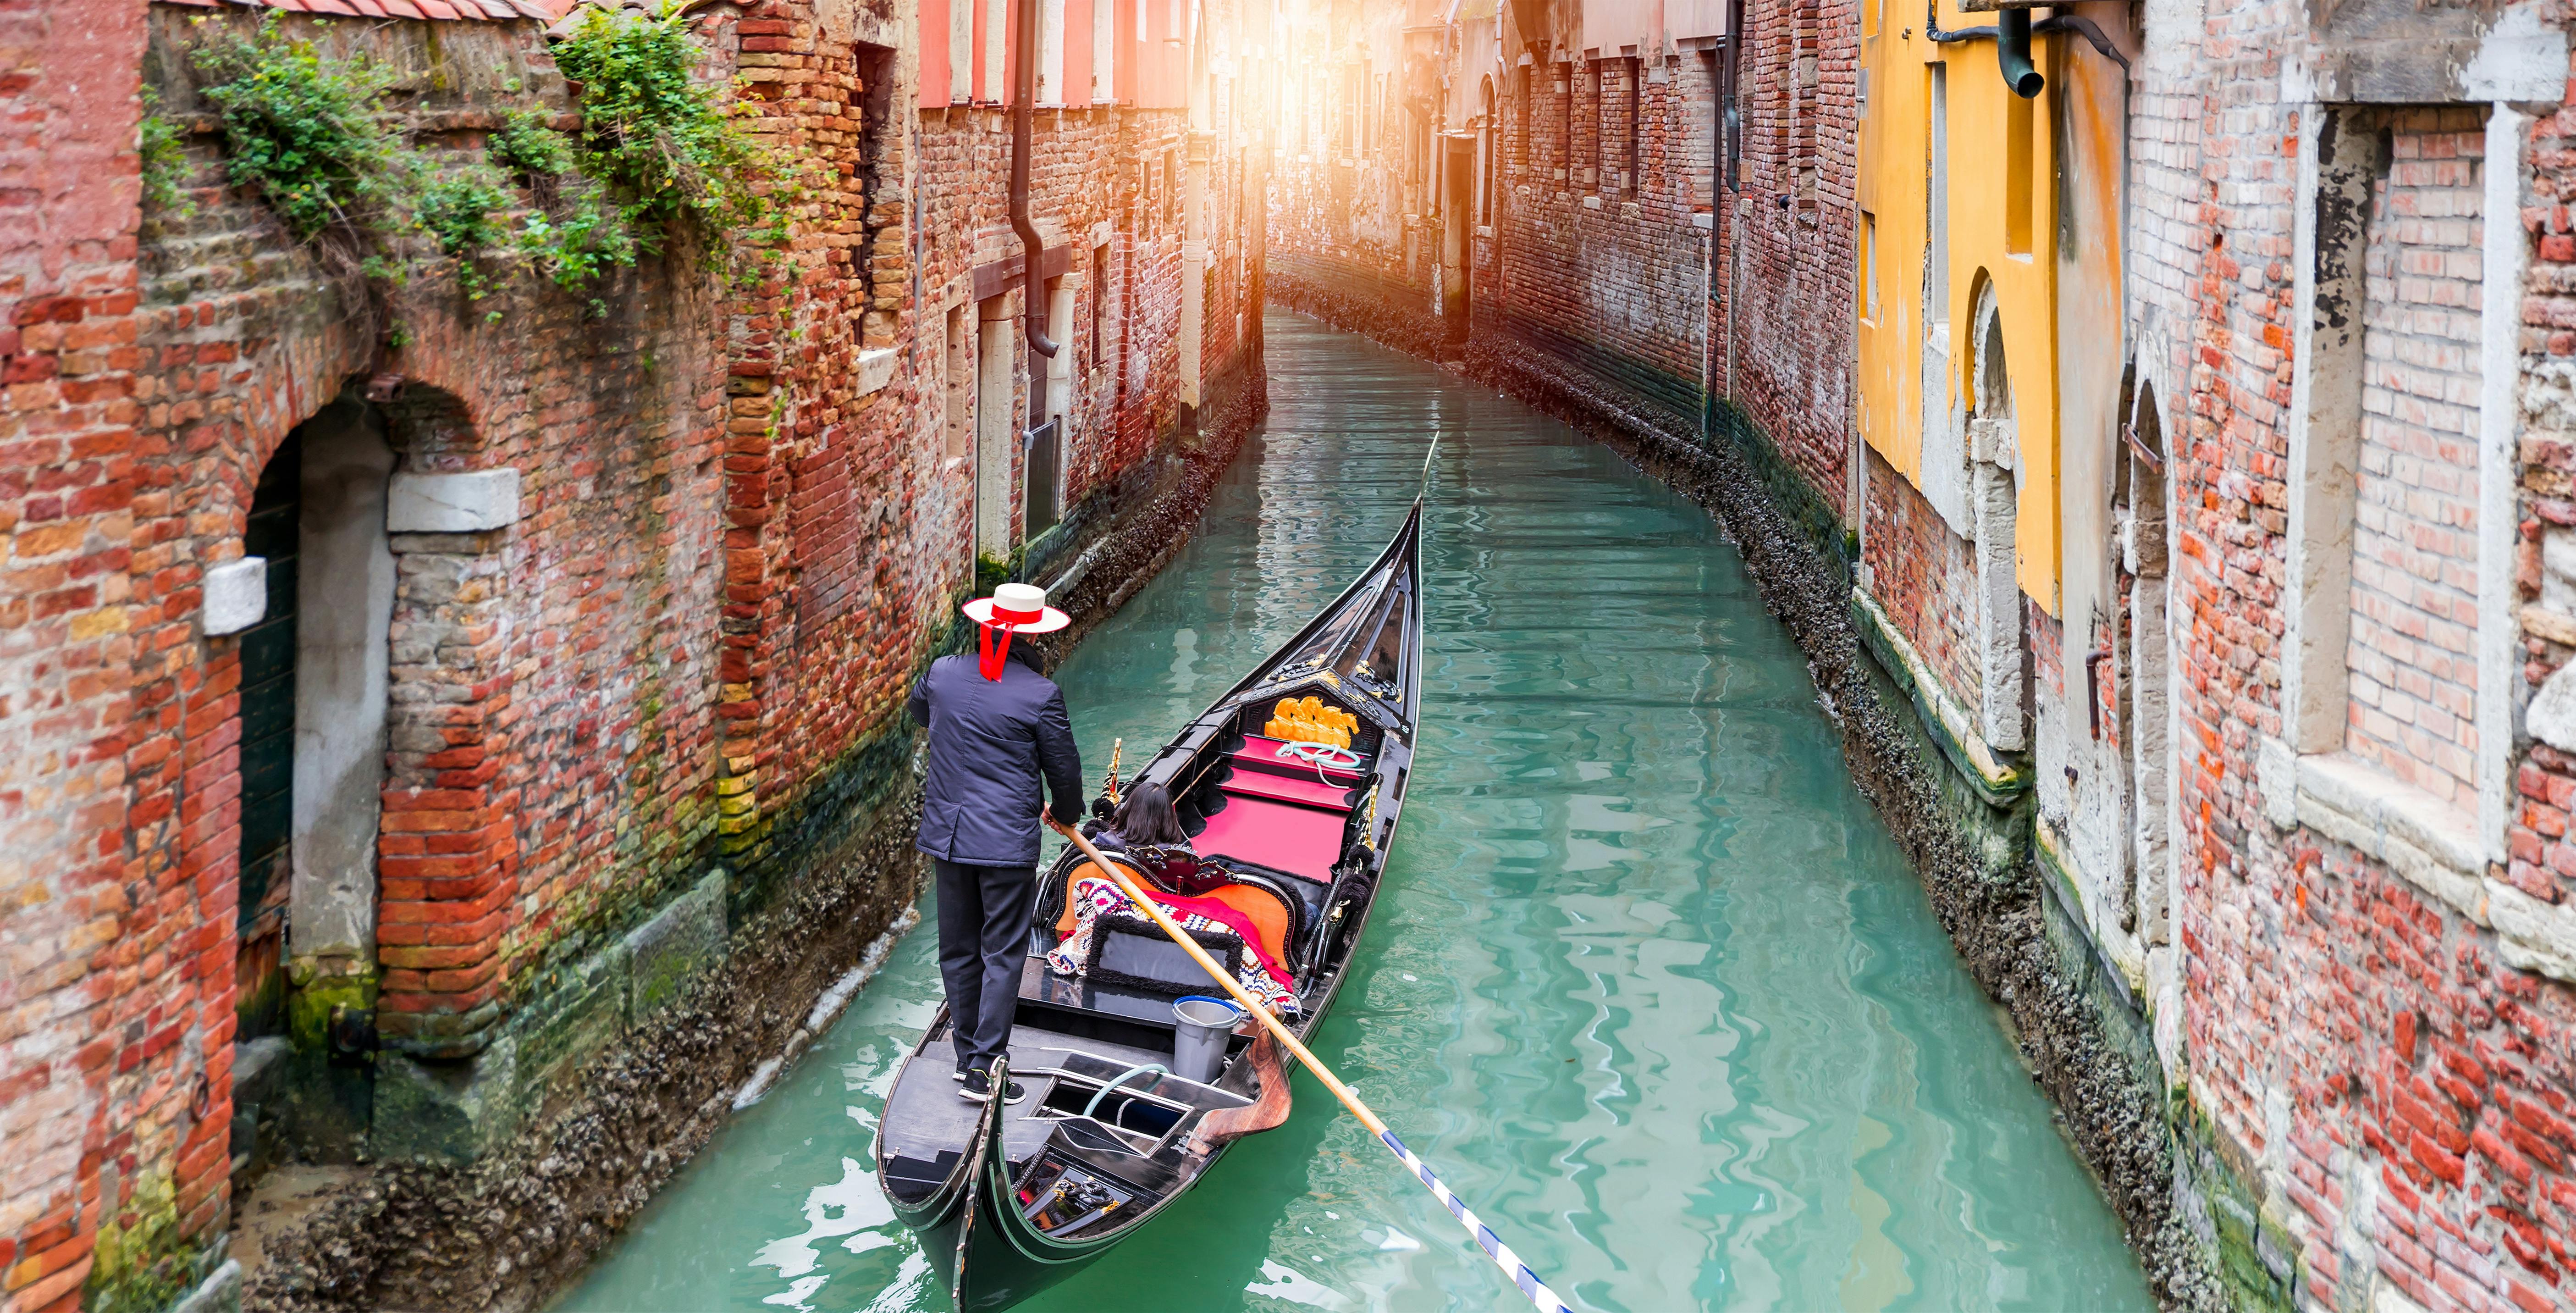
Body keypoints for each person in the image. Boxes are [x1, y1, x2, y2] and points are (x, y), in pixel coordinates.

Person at [909, 580, 1083, 1105]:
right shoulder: (1040, 694)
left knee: (959, 950)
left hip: (949, 837)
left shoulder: (942, 674)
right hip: (1006, 844)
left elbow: (923, 714)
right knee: (1003, 952)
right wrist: (1067, 815)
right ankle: (985, 1066)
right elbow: (1065, 775)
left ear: (982, 627)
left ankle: (967, 1061)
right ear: (1035, 638)